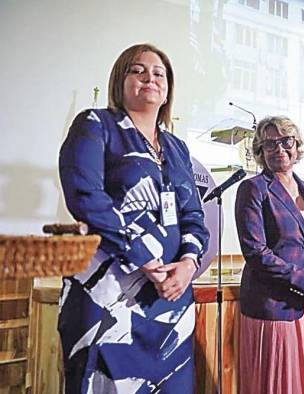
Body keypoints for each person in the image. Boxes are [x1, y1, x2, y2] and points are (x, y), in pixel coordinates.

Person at [58, 43, 209, 393]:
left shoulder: (177, 147)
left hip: (170, 300)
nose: (149, 77)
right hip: (110, 297)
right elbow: (86, 198)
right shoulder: (96, 124)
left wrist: (187, 264)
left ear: (168, 87)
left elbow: (193, 215)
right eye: (137, 70)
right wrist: (145, 261)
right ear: (120, 80)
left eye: (159, 73)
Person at [235, 116, 304, 394]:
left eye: (285, 141)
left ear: (296, 145)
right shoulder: (253, 188)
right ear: (260, 151)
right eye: (269, 144)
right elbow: (256, 252)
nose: (279, 148)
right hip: (272, 305)